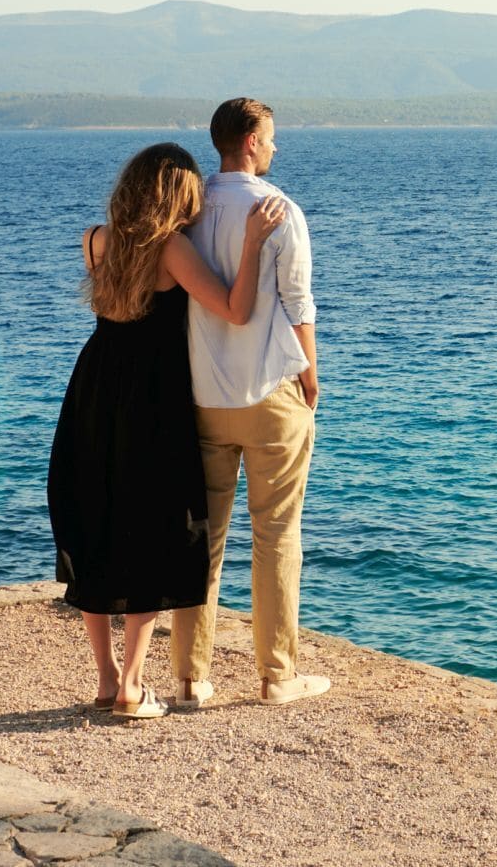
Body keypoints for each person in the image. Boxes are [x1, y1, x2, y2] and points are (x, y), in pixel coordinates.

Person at [48, 141, 286, 720]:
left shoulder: (95, 241)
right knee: (150, 530)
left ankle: (106, 681)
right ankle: (131, 686)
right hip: (150, 399)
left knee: (99, 525)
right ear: (174, 194)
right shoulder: (171, 248)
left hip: (93, 390)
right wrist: (252, 242)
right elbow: (235, 308)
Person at [171, 97, 332, 707]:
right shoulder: (279, 210)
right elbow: (299, 304)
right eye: (270, 138)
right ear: (248, 143)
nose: (275, 147)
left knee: (203, 538)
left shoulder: (185, 210)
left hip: (205, 397)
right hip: (270, 393)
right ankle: (276, 676)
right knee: (276, 534)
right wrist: (312, 374)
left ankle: (191, 678)